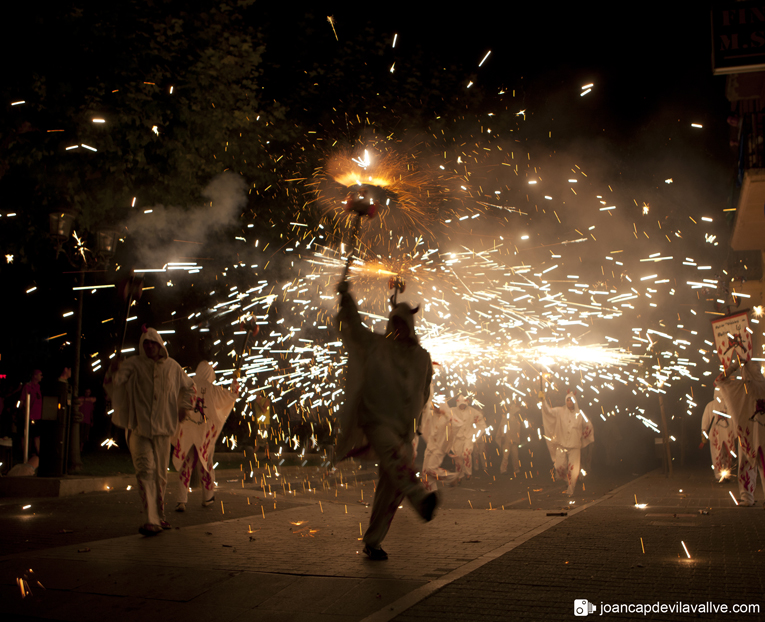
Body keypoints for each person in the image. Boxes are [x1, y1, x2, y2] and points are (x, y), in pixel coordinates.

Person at [335, 280, 438, 561]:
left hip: (405, 430)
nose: (398, 328)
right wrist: (347, 300)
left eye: (402, 323)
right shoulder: (377, 346)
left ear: (410, 325)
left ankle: (373, 541)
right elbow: (354, 330)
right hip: (376, 422)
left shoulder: (422, 357)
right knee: (397, 461)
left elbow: (424, 392)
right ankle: (421, 499)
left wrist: (414, 423)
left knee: (391, 489)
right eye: (394, 322)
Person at [104, 326, 194, 536]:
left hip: (164, 430)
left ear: (160, 344)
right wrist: (114, 368)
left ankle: (159, 516)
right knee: (145, 471)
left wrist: (184, 407)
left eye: (153, 343)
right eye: (146, 343)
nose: (149, 346)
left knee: (160, 476)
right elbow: (115, 381)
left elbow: (190, 387)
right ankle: (150, 520)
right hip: (139, 428)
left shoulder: (173, 367)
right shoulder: (134, 364)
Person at [172, 361, 239, 512]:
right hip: (204, 434)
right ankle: (208, 496)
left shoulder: (189, 384)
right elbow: (231, 397)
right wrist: (235, 383)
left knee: (186, 464)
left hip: (188, 432)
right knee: (206, 464)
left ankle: (181, 500)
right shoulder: (214, 390)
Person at [715, 360, 765, 506]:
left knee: (746, 464)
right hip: (761, 433)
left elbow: (719, 381)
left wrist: (735, 365)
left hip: (747, 433)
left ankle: (747, 497)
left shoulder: (742, 388)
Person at [541, 390, 594, 496]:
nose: (569, 402)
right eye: (567, 400)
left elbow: (589, 426)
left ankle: (571, 490)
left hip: (574, 446)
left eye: (571, 400)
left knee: (574, 470)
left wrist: (582, 437)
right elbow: (548, 411)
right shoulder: (560, 411)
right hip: (561, 444)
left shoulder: (580, 414)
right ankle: (566, 479)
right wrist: (543, 400)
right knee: (559, 467)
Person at [420, 366, 457, 490]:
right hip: (430, 447)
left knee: (431, 470)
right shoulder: (431, 415)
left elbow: (458, 424)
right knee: (425, 474)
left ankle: (452, 477)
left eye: (437, 405)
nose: (434, 407)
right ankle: (431, 495)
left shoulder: (448, 417)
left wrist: (445, 414)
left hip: (439, 448)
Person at [700, 392, 736, 481]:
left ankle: (720, 475)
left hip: (717, 434)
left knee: (717, 454)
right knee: (726, 454)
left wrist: (704, 431)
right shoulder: (730, 404)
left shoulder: (711, 405)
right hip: (726, 433)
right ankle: (726, 474)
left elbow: (705, 421)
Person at [449, 395, 476, 481]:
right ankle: (459, 475)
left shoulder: (471, 411)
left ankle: (468, 472)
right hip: (457, 437)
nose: (462, 406)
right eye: (460, 405)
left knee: (467, 453)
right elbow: (444, 412)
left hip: (468, 436)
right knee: (458, 456)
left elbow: (479, 417)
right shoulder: (452, 410)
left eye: (463, 404)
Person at [20, 369, 43, 455]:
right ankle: (25, 454)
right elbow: (22, 400)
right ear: (35, 376)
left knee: (36, 435)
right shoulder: (27, 386)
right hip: (29, 415)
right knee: (26, 435)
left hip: (37, 415)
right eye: (40, 375)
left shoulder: (38, 387)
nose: (41, 377)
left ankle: (37, 453)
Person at [498, 399, 522, 476]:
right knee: (505, 456)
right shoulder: (507, 417)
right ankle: (503, 470)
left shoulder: (517, 418)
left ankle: (516, 469)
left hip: (514, 440)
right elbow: (503, 427)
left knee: (515, 456)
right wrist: (503, 436)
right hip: (507, 440)